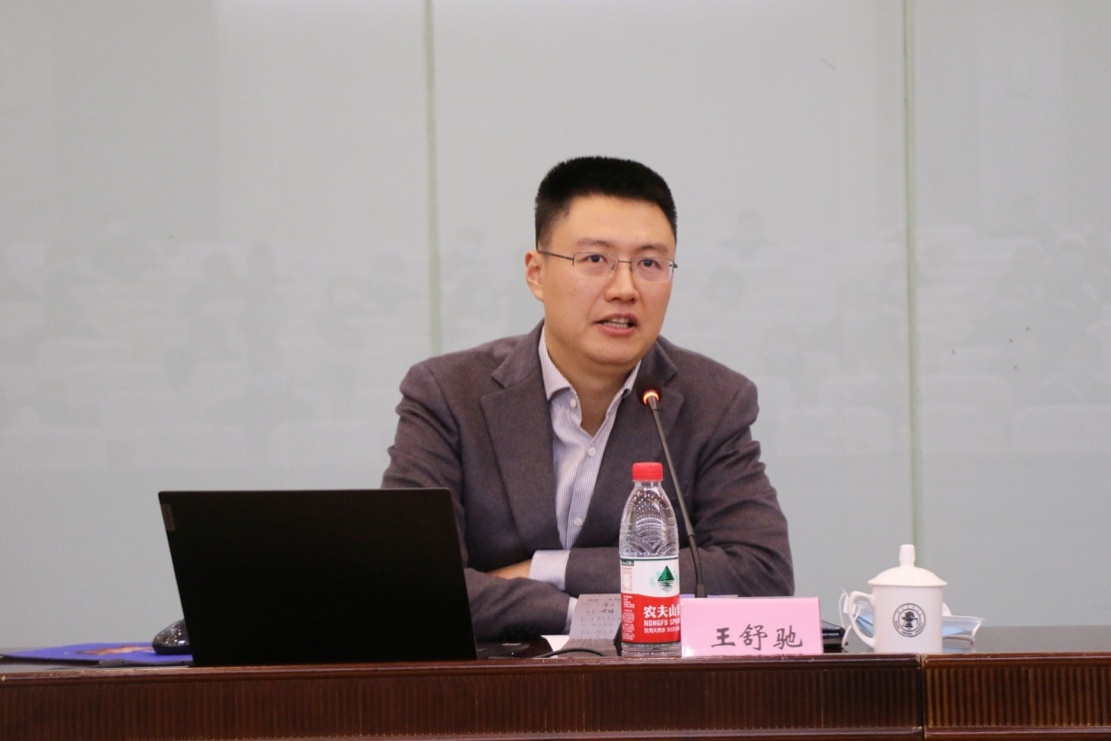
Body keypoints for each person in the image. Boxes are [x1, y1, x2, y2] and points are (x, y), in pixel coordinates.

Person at [382, 156, 793, 640]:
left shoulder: (715, 401)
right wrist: (579, 615)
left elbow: (760, 575)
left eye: (649, 264)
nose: (625, 289)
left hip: (651, 682)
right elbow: (413, 584)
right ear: (536, 273)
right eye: (596, 260)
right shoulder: (448, 394)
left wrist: (548, 569)